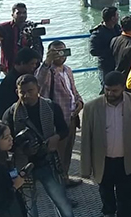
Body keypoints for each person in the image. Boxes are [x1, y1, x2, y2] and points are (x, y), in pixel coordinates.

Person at [2, 74, 74, 217]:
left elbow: (64, 129)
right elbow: (5, 143)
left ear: (38, 89)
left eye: (30, 90)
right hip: (23, 165)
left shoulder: (51, 106)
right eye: (23, 92)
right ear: (17, 92)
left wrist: (55, 138)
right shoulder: (10, 114)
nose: (27, 95)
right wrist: (21, 148)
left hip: (47, 161)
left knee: (62, 201)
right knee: (29, 207)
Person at [81, 71, 131, 217]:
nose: (110, 94)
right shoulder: (91, 107)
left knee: (126, 198)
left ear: (123, 88)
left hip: (127, 161)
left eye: (114, 90)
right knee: (106, 196)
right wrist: (85, 168)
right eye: (107, 90)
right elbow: (86, 140)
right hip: (104, 162)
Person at [36, 40, 84, 192]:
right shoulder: (48, 71)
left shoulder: (68, 70)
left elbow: (73, 91)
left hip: (71, 118)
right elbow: (38, 83)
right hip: (56, 121)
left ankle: (65, 178)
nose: (60, 55)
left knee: (67, 152)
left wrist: (80, 103)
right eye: (56, 52)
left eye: (62, 51)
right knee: (57, 156)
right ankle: (59, 188)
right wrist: (47, 62)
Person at [0, 3, 43, 73]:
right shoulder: (4, 28)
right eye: (18, 13)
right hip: (10, 66)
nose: (22, 15)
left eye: (24, 13)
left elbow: (39, 46)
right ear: (12, 14)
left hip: (29, 66)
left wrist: (38, 62)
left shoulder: (31, 28)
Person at [0, 47, 40, 119]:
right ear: (22, 63)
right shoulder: (10, 82)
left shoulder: (15, 76)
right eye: (32, 63)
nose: (34, 66)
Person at [89, 6, 121, 86]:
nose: (118, 17)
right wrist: (110, 51)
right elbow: (92, 50)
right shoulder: (98, 33)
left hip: (117, 63)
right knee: (106, 86)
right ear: (112, 18)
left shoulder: (117, 28)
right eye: (117, 15)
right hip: (105, 65)